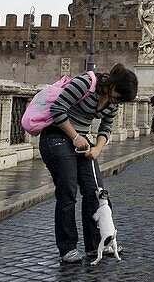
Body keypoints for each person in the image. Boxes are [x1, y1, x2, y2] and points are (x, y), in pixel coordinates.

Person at [39, 63, 138, 263]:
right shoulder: (85, 83)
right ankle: (67, 247)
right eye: (117, 97)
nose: (117, 103)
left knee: (96, 191)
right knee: (67, 192)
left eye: (121, 101)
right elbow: (57, 109)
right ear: (111, 85)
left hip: (81, 141)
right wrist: (75, 136)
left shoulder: (112, 103)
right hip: (56, 137)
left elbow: (106, 127)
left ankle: (96, 245)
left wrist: (97, 148)